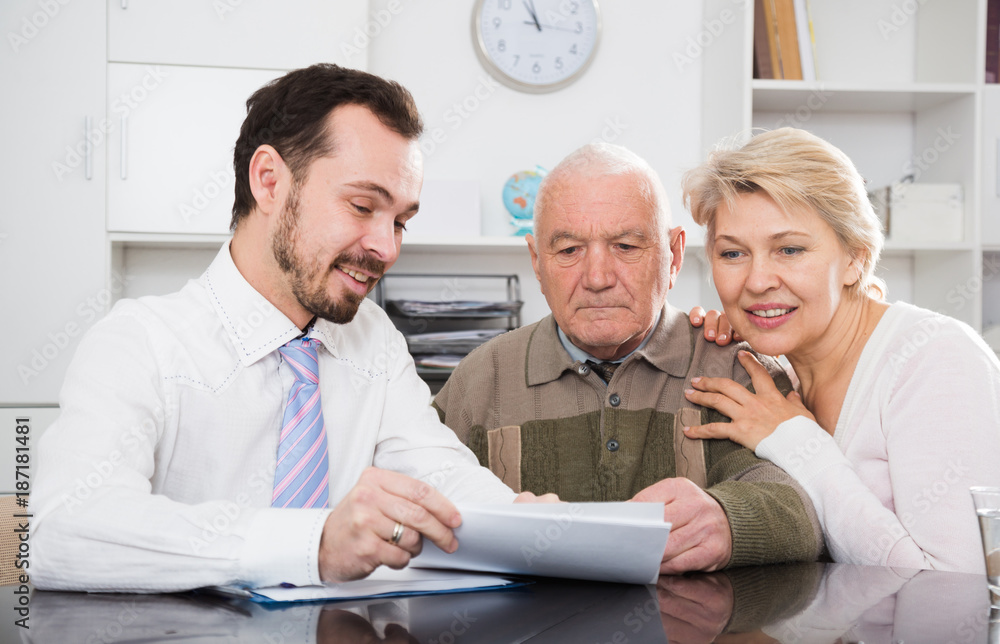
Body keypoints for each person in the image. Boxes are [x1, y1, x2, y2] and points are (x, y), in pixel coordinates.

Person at [28, 64, 550, 593]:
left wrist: (527, 523)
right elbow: (61, 531)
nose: (386, 248)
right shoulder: (140, 343)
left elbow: (437, 473)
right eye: (362, 206)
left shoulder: (373, 338)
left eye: (399, 222)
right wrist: (311, 544)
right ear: (269, 181)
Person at [434, 142, 825, 574]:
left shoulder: (738, 368)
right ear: (537, 263)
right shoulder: (479, 379)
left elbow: (808, 507)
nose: (597, 278)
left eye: (625, 245)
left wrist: (729, 520)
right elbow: (413, 498)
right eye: (569, 250)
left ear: (674, 256)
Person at [681, 127, 1000, 573]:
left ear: (855, 258)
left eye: (789, 249)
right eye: (733, 254)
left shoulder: (937, 359)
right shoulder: (772, 373)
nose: (757, 281)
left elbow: (950, 589)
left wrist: (797, 443)